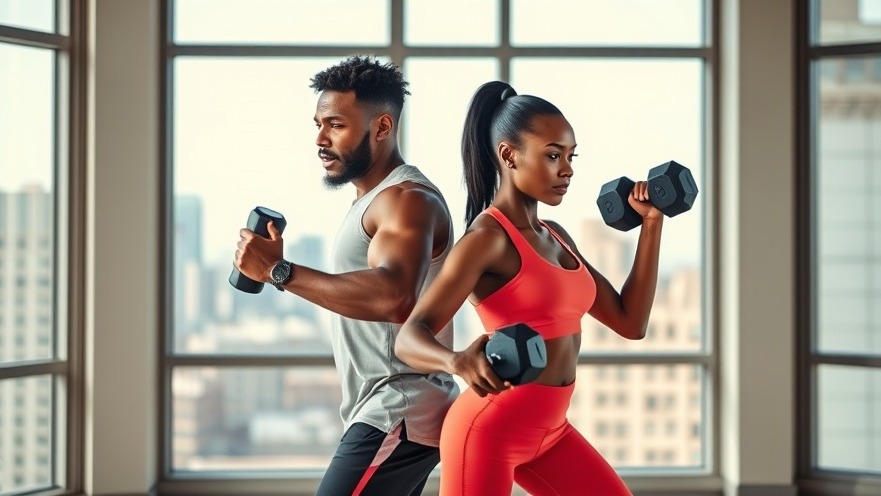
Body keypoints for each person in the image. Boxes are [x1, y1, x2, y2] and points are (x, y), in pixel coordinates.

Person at [394, 80, 665, 496]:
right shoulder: (487, 239)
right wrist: (457, 361)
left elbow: (631, 323)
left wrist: (651, 223)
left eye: (571, 156)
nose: (567, 169)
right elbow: (409, 338)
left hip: (552, 432)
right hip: (487, 430)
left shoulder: (556, 236)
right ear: (509, 155)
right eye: (553, 155)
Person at [233, 55, 459, 496]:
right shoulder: (374, 200)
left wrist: (278, 271)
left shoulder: (406, 199)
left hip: (398, 408)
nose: (321, 139)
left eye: (336, 125)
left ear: (382, 127)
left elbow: (395, 296)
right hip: (388, 410)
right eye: (318, 125)